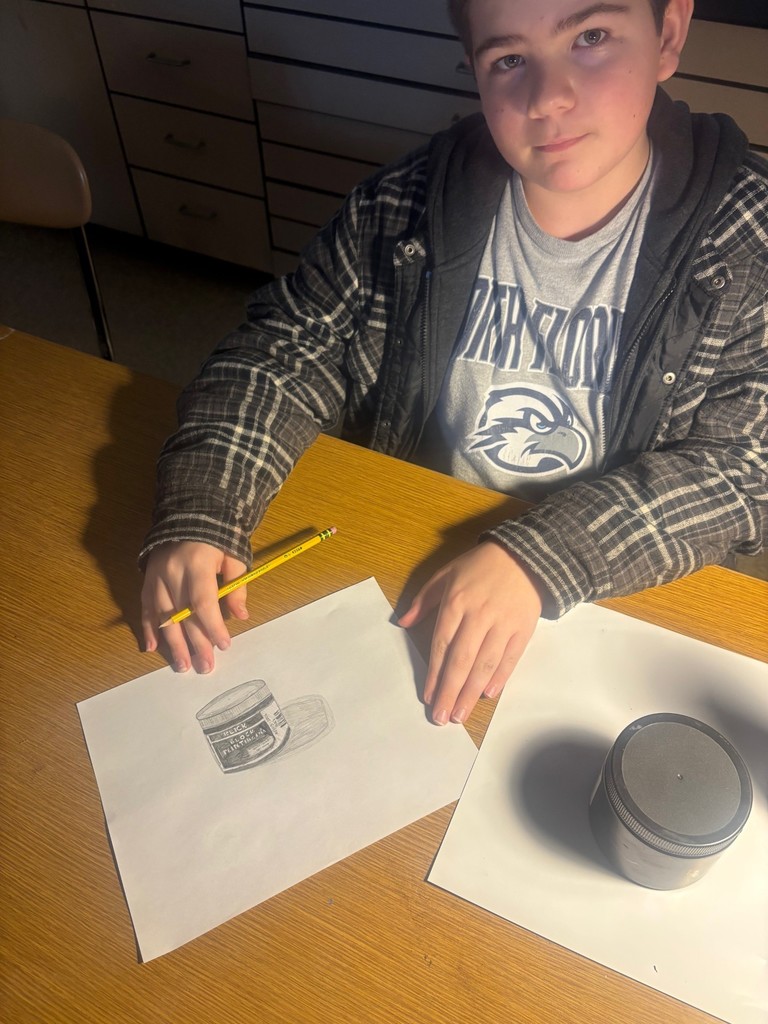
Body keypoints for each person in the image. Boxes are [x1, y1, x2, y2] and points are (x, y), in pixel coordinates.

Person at [140, 0, 768, 726]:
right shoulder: (405, 202)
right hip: (422, 551)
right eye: (509, 60)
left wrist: (546, 556)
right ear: (472, 67)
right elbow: (285, 345)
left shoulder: (748, 242)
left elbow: (743, 471)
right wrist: (204, 505)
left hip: (620, 587)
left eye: (591, 38)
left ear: (668, 34)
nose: (548, 98)